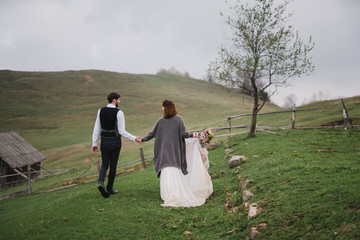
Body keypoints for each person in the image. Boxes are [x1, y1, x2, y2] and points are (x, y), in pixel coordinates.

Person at [140, 100, 213, 207]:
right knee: (172, 170)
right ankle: (174, 193)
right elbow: (184, 134)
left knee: (167, 170)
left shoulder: (162, 121)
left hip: (165, 152)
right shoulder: (177, 119)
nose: (162, 109)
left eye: (163, 107)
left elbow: (151, 134)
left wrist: (143, 139)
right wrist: (193, 135)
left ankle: (170, 194)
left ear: (166, 108)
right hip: (174, 151)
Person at [92, 92, 141, 198]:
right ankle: (109, 188)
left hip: (104, 141)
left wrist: (94, 143)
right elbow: (122, 131)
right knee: (113, 165)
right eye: (118, 100)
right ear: (114, 100)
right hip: (115, 142)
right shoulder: (119, 113)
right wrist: (134, 138)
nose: (119, 102)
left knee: (104, 164)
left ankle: (101, 183)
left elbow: (97, 128)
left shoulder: (100, 111)